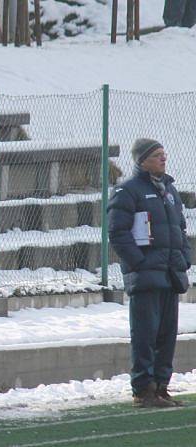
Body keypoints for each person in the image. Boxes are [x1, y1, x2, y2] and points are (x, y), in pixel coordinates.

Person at [108, 138, 190, 408]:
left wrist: (183, 259)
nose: (163, 159)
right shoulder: (128, 191)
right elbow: (118, 233)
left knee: (167, 335)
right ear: (141, 160)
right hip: (146, 275)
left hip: (170, 273)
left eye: (164, 154)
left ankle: (162, 386)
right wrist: (139, 263)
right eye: (156, 155)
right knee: (145, 334)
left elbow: (180, 227)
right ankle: (144, 389)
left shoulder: (169, 190)